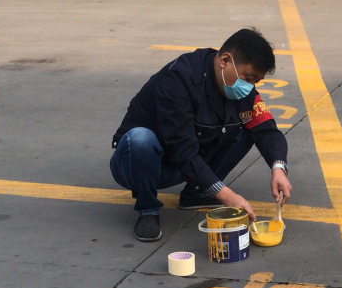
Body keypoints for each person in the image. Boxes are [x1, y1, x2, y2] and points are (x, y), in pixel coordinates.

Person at [110, 29, 293, 242]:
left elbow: (267, 130)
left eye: (255, 82)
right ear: (225, 60)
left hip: (186, 166)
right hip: (139, 164)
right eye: (248, 78)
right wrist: (227, 195)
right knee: (140, 139)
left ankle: (197, 194)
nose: (249, 86)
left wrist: (278, 167)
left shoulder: (240, 89)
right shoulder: (178, 80)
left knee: (246, 127)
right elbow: (181, 149)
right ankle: (147, 209)